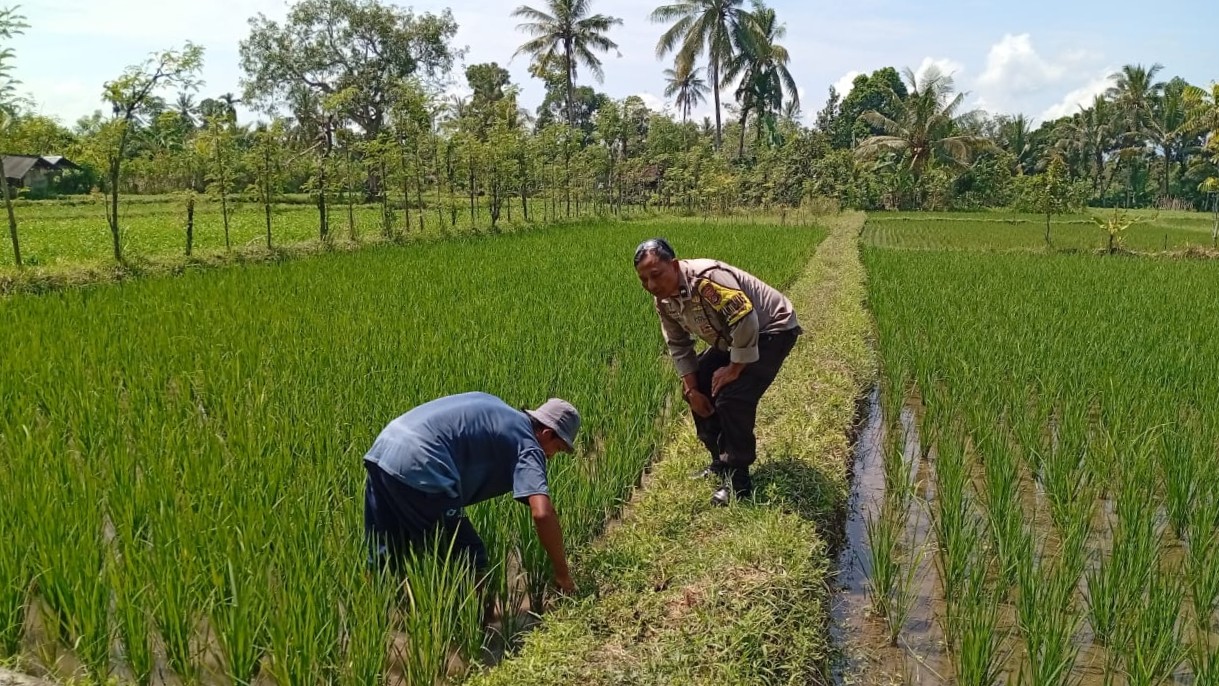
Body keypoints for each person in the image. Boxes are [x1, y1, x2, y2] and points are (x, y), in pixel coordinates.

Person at [633, 238, 801, 506]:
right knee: (699, 384)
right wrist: (691, 389)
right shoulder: (664, 300)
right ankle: (719, 460)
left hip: (772, 328)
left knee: (732, 396)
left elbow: (747, 320)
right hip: (731, 336)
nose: (651, 286)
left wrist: (734, 369)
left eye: (656, 275)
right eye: (643, 280)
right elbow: (677, 344)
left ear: (674, 265)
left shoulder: (706, 279)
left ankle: (739, 481)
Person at [362, 391, 580, 593]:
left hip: (383, 449)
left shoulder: (496, 407)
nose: (551, 457)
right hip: (421, 464)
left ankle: (381, 619)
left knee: (384, 556)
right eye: (558, 449)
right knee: (470, 559)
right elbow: (543, 513)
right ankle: (483, 629)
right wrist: (562, 575)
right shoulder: (529, 445)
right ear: (546, 433)